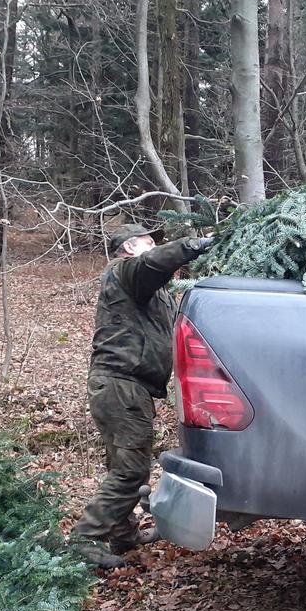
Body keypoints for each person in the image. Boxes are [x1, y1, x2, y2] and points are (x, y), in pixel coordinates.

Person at [70, 225, 213, 569]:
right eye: (150, 243)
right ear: (131, 248)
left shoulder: (147, 287)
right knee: (131, 471)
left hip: (124, 387)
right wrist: (195, 245)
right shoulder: (126, 272)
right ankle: (85, 539)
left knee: (122, 466)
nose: (155, 247)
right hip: (121, 386)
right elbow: (153, 263)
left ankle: (124, 535)